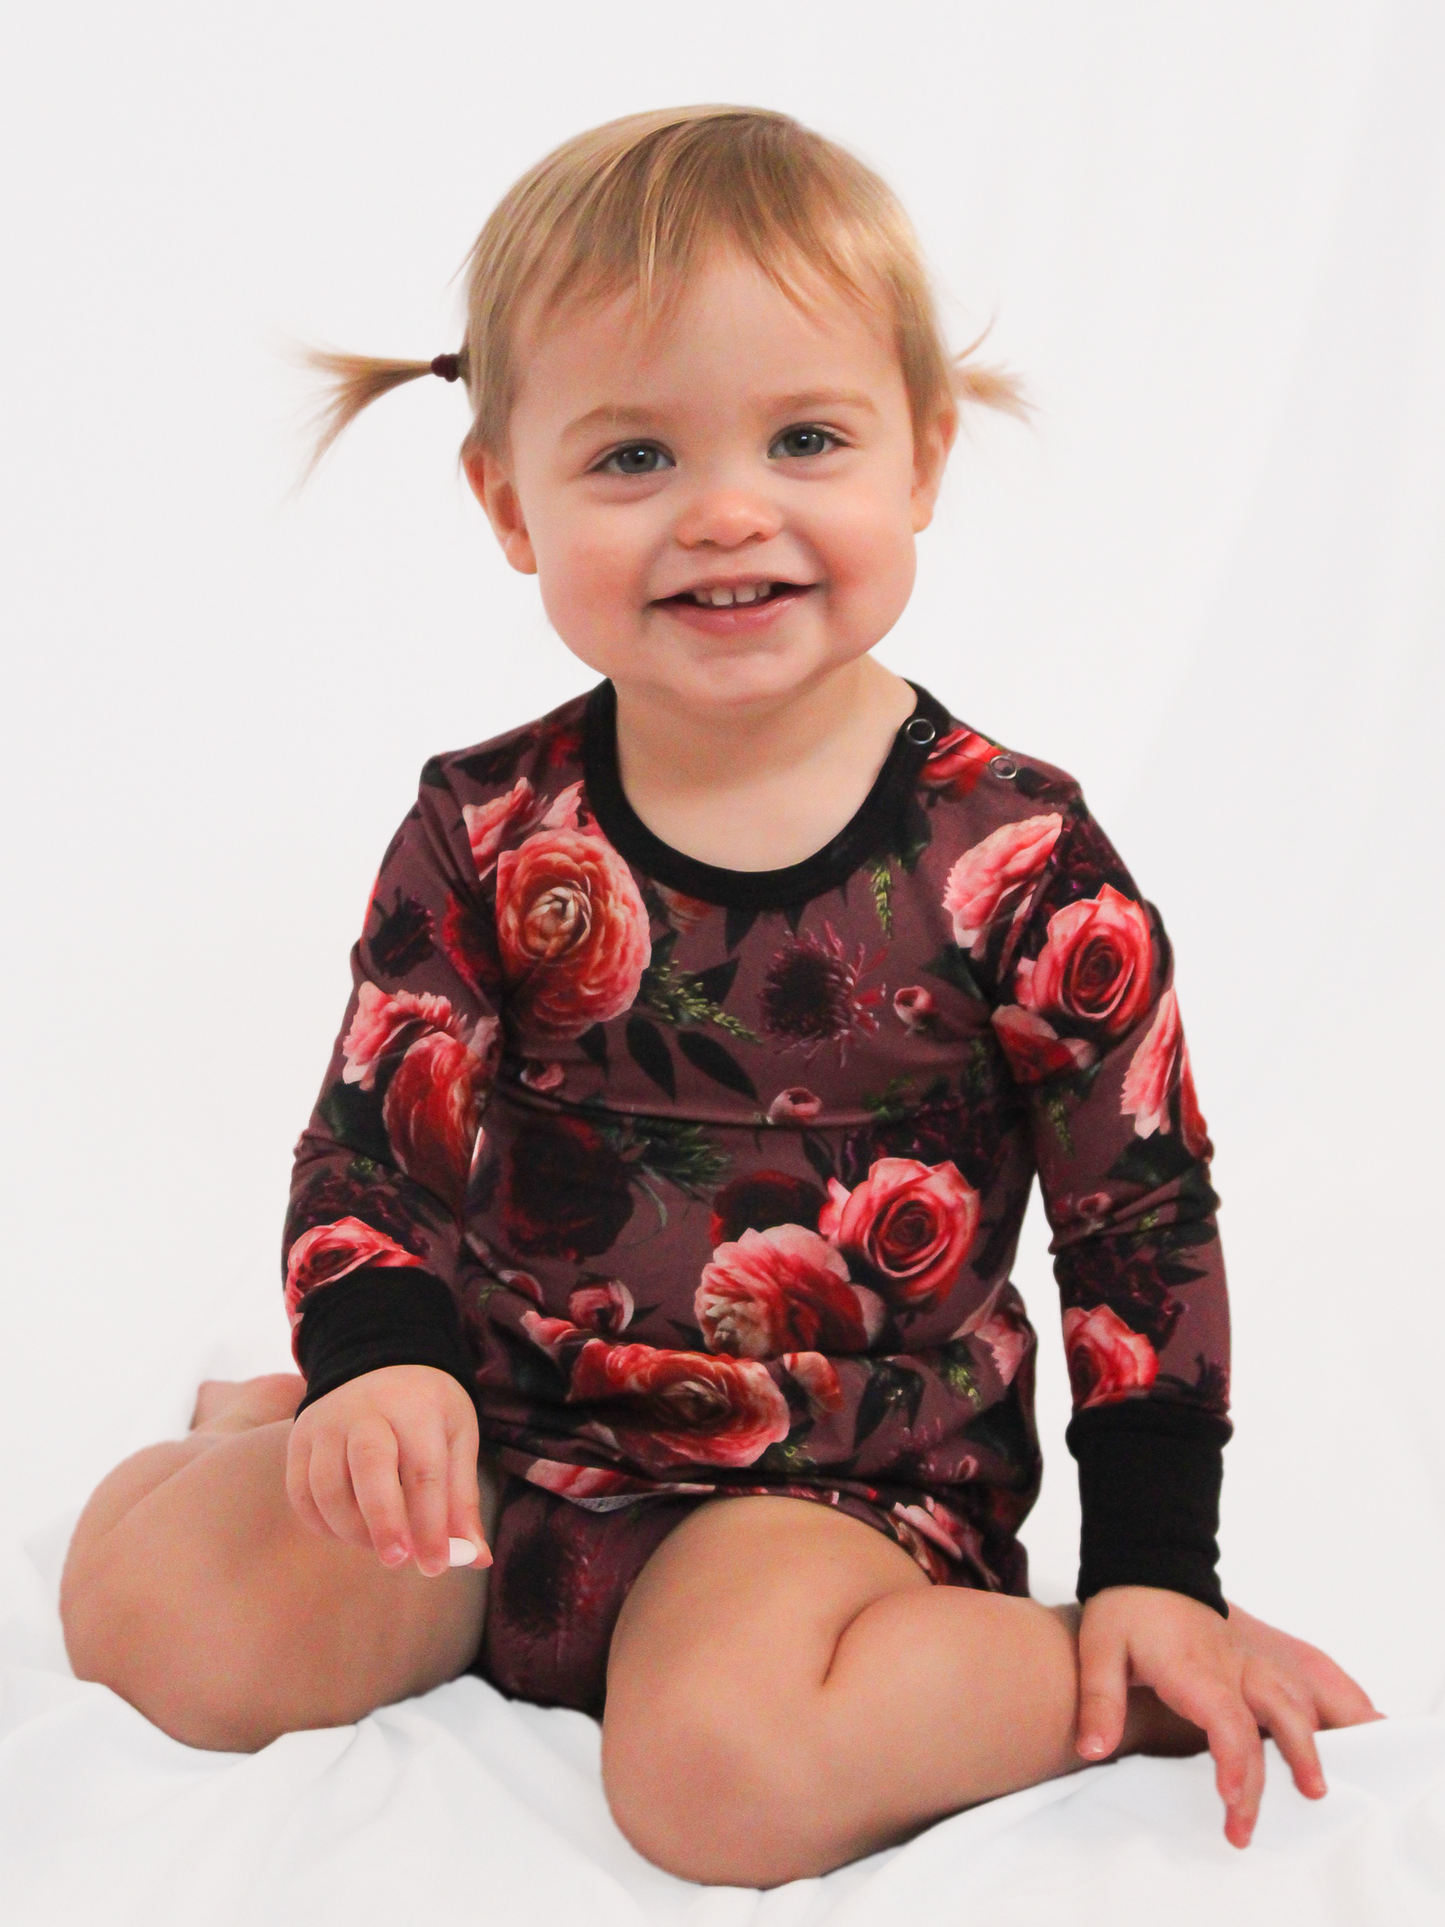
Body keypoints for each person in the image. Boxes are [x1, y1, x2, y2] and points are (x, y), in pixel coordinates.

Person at [58, 104, 1379, 1889]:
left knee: (718, 1777)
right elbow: (374, 1139)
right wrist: (379, 1361)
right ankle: (289, 1407)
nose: (727, 511)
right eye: (634, 457)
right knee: (158, 1620)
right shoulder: (484, 827)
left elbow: (1137, 1217)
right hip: (504, 1431)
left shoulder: (1019, 863)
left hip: (833, 1488)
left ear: (922, 457)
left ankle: (1106, 1679)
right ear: (508, 502)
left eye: (806, 438)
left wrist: (1156, 1567)